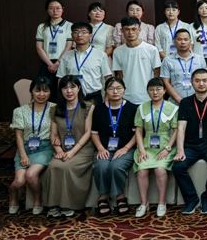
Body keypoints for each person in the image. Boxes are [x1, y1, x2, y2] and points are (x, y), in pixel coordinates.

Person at [172, 69, 207, 215]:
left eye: (204, 80)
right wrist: (180, 150)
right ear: (192, 82)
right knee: (177, 166)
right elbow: (181, 127)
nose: (201, 83)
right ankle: (191, 199)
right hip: (191, 145)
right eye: (197, 80)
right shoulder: (185, 103)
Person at [43, 76, 96, 218]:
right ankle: (54, 205)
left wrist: (72, 152)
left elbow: (88, 132)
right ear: (60, 90)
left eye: (72, 87)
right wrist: (59, 150)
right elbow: (53, 135)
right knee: (53, 166)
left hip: (83, 149)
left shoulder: (88, 106)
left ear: (79, 88)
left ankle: (68, 205)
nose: (69, 91)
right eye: (65, 88)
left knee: (67, 166)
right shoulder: (55, 109)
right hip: (63, 149)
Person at [90, 77, 138, 217]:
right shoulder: (99, 109)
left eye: (118, 88)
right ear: (106, 91)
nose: (115, 91)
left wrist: (126, 148)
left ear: (124, 90)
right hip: (104, 148)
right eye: (111, 88)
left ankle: (119, 196)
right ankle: (102, 196)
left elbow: (137, 133)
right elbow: (94, 133)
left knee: (116, 166)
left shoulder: (132, 108)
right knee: (101, 166)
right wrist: (100, 148)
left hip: (126, 148)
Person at [8, 77, 55, 216]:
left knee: (30, 175)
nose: (42, 94)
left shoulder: (54, 108)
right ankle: (13, 195)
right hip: (25, 148)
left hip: (45, 148)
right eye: (37, 90)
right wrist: (23, 155)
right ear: (31, 91)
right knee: (19, 181)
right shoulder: (20, 111)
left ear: (50, 92)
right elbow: (18, 136)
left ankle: (38, 200)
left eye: (46, 91)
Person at [133, 78, 179, 217]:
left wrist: (168, 148)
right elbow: (138, 131)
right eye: (151, 89)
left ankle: (161, 202)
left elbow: (176, 131)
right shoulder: (142, 108)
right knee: (142, 170)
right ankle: (143, 203)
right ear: (147, 91)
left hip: (166, 146)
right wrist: (141, 150)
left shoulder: (173, 108)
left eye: (158, 89)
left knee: (160, 169)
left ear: (164, 91)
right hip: (146, 146)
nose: (155, 92)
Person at [57, 21, 112, 104]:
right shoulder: (66, 56)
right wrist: (61, 98)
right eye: (76, 32)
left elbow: (108, 77)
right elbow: (61, 78)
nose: (79, 35)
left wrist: (107, 97)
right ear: (72, 35)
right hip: (72, 97)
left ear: (91, 36)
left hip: (94, 96)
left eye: (83, 32)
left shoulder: (101, 55)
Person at [112, 17, 161, 105]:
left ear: (139, 30)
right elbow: (120, 76)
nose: (130, 32)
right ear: (121, 31)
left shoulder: (151, 49)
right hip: (127, 97)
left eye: (134, 29)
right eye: (127, 29)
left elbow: (156, 75)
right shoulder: (117, 51)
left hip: (147, 97)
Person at [35, 0, 73, 99]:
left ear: (62, 9)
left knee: (63, 91)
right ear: (47, 10)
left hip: (63, 62)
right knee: (46, 91)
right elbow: (39, 48)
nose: (55, 11)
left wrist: (58, 63)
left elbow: (69, 46)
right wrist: (50, 64)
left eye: (58, 8)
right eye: (51, 8)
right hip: (46, 64)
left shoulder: (69, 26)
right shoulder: (42, 26)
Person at [161, 29, 207, 105]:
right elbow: (165, 82)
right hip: (175, 103)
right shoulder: (167, 61)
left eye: (186, 39)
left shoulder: (200, 59)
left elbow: (205, 81)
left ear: (190, 41)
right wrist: (180, 100)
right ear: (174, 42)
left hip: (198, 102)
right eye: (179, 39)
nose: (183, 42)